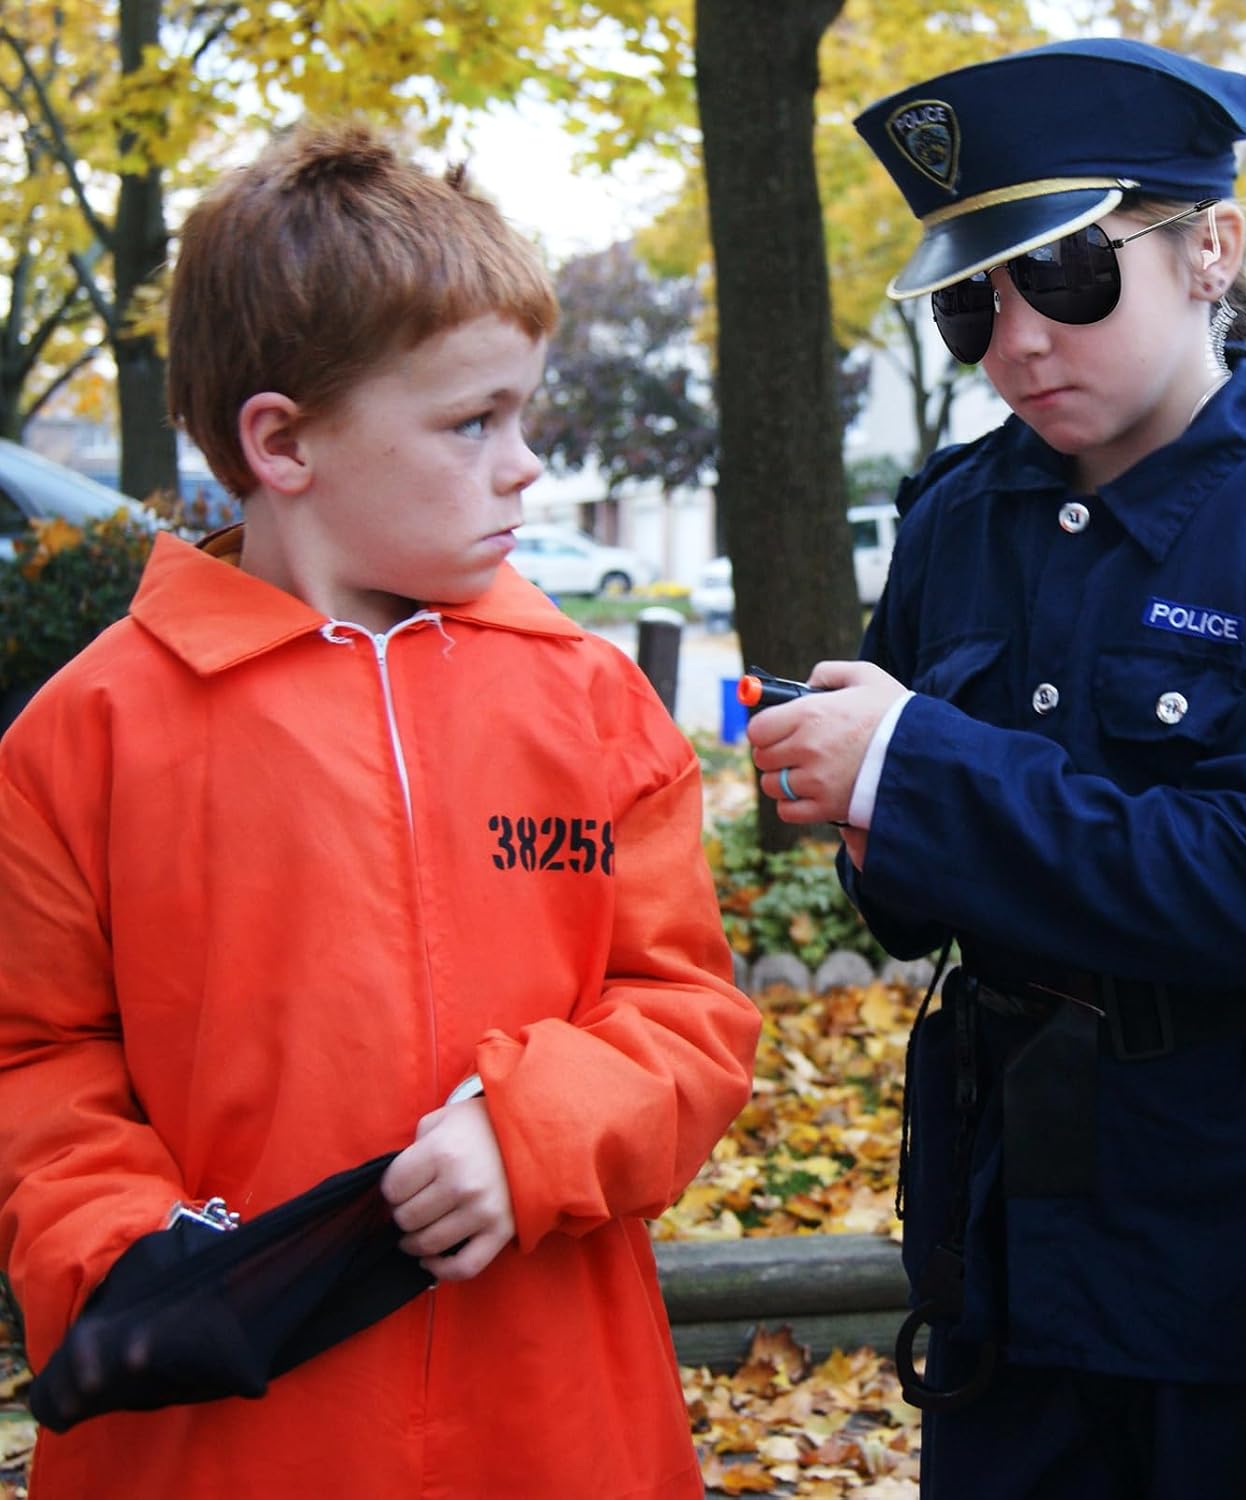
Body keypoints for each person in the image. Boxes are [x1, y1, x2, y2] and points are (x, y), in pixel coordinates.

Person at [0, 120, 761, 1498]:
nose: (527, 463)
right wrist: (123, 1247)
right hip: (220, 1436)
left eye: (522, 412)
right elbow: (31, 1054)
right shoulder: (87, 733)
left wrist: (532, 1130)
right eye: (475, 422)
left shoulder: (593, 706)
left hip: (555, 1421)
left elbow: (689, 1015)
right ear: (283, 443)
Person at [744, 37, 1246, 1499]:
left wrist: (916, 773)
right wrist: (850, 788)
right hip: (1008, 1229)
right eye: (968, 302)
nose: (1015, 343)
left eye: (1064, 272)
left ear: (1211, 252)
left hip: (1241, 1237)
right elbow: (912, 916)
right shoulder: (959, 516)